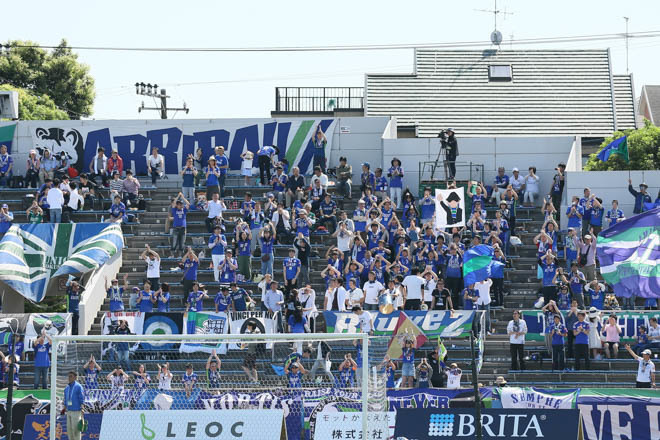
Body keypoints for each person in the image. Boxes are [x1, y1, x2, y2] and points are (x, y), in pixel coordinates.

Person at [63, 371, 85, 440]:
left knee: (76, 430)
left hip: (76, 411)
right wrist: (65, 407)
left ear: (75, 377)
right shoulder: (66, 388)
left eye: (71, 376)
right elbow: (65, 398)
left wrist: (82, 407)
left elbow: (82, 397)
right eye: (68, 376)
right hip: (69, 411)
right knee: (69, 430)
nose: (69, 378)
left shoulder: (78, 386)